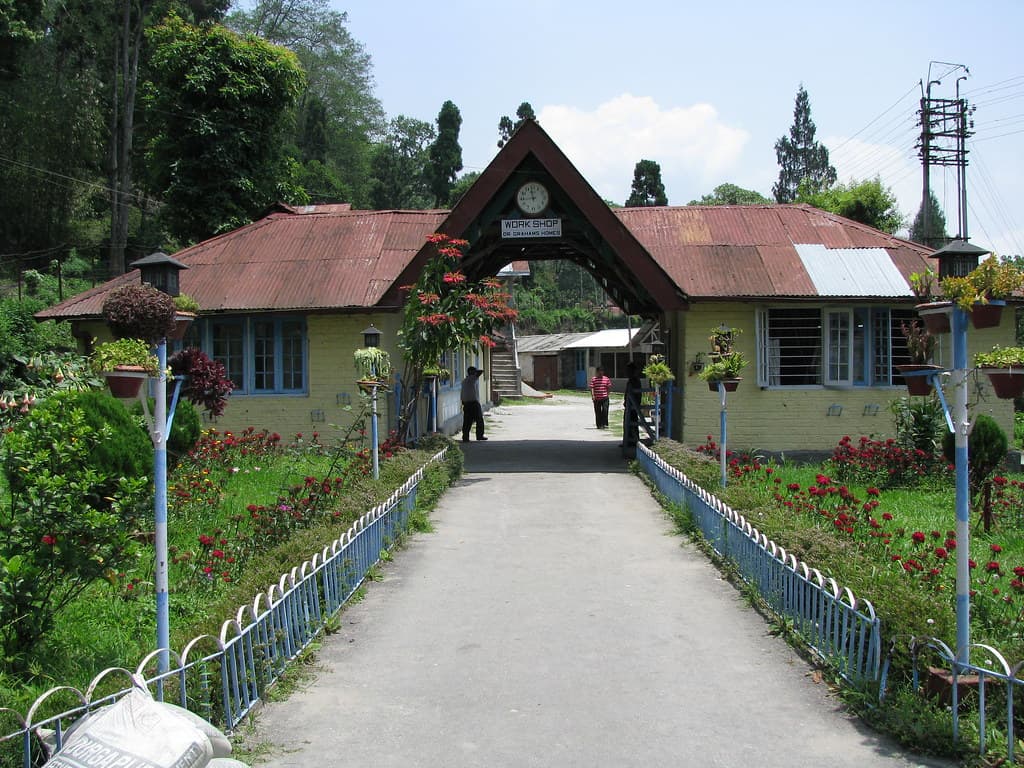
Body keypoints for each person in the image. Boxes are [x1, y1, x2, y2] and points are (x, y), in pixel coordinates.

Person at [461, 366, 487, 442]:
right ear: (472, 373)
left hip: (466, 403)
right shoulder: (473, 378)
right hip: (474, 403)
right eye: (474, 371)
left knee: (467, 421)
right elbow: (481, 371)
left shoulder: (464, 381)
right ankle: (479, 435)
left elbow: (463, 392)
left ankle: (465, 437)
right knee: (479, 420)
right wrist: (475, 372)